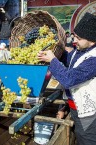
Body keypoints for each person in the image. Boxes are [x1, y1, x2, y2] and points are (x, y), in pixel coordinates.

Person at [37, 12, 96, 145]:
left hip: (90, 113)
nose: (74, 41)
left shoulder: (93, 59)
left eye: (78, 38)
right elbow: (69, 59)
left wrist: (52, 60)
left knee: (88, 139)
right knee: (80, 136)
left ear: (92, 41)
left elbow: (69, 79)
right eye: (74, 36)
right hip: (76, 108)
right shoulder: (80, 51)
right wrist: (57, 50)